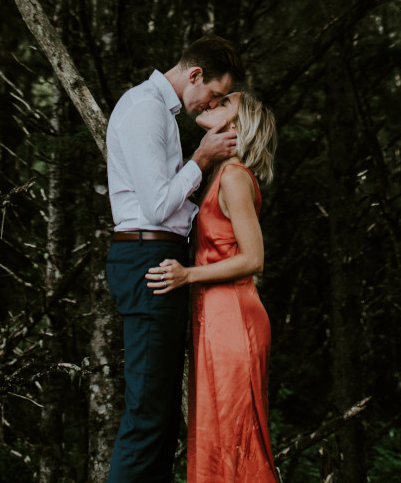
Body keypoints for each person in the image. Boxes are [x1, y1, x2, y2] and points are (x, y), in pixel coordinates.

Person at [106, 34, 246, 483]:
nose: (211, 104)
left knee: (162, 416)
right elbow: (157, 205)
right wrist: (202, 159)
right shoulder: (146, 108)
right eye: (215, 94)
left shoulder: (155, 110)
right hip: (148, 257)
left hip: (156, 255)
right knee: (148, 415)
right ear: (195, 75)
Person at [147, 90, 279, 483]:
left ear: (236, 127)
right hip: (217, 317)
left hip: (234, 318)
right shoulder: (220, 174)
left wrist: (187, 275)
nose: (210, 105)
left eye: (224, 104)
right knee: (215, 432)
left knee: (234, 433)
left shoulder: (235, 177)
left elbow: (253, 260)